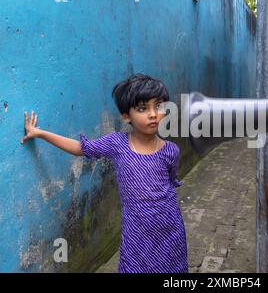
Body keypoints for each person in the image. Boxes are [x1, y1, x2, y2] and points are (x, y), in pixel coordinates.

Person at [21, 74, 188, 273]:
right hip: (136, 228)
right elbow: (80, 148)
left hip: (169, 227)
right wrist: (40, 133)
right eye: (143, 108)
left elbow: (170, 183)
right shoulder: (117, 144)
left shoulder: (170, 151)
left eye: (158, 106)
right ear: (126, 116)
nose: (153, 114)